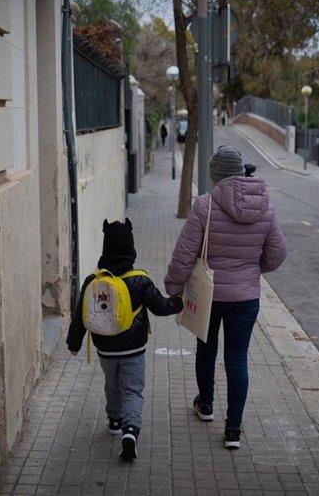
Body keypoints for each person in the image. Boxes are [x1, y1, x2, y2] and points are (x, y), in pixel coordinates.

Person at [164, 145, 287, 450]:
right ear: (240, 170)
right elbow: (278, 253)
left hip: (210, 295)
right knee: (237, 359)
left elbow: (184, 253)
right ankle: (233, 430)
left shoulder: (205, 205)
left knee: (206, 350)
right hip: (246, 298)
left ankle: (205, 405)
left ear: (215, 174)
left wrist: (173, 287)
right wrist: (251, 271)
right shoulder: (265, 205)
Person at [67, 218, 182, 460]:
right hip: (134, 349)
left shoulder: (93, 280)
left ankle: (115, 420)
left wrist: (74, 343)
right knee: (132, 390)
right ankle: (130, 432)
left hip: (105, 349)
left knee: (112, 384)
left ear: (105, 246)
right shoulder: (140, 280)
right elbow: (161, 307)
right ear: (131, 247)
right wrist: (179, 303)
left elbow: (80, 315)